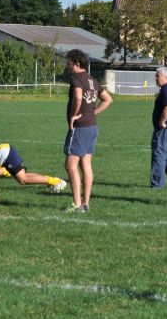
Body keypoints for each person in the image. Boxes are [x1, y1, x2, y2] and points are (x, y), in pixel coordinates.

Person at [63, 49, 112, 213]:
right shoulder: (92, 80)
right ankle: (86, 203)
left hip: (80, 128)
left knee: (70, 165)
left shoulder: (76, 79)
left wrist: (73, 116)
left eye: (69, 63)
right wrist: (93, 112)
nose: (67, 66)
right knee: (86, 164)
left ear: (77, 64)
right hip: (92, 126)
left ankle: (77, 205)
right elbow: (108, 99)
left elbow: (77, 97)